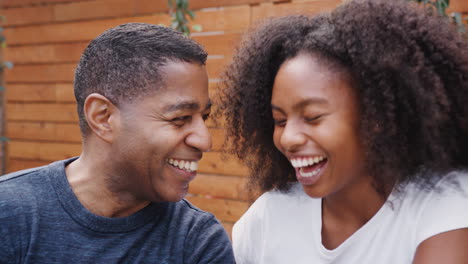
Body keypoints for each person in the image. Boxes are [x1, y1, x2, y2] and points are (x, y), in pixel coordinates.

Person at [217, 0, 468, 263]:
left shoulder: (444, 203)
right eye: (280, 120)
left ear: (376, 116)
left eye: (312, 117)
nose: (288, 138)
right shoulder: (268, 218)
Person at [0, 23, 235, 263]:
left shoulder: (197, 241)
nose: (205, 141)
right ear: (103, 117)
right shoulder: (9, 214)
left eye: (203, 118)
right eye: (180, 118)